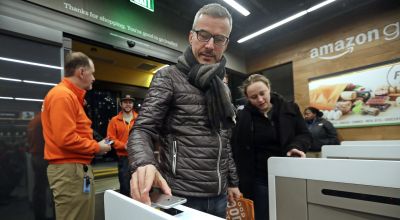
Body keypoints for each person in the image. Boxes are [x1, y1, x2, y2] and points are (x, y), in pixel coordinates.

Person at [127, 3, 241, 218]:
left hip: (219, 195)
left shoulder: (223, 88)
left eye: (218, 39)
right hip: (180, 195)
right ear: (191, 37)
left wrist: (232, 182)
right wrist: (143, 163)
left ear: (226, 44)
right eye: (203, 35)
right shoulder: (168, 77)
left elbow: (224, 141)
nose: (209, 45)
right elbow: (142, 129)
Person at [231, 74, 312, 220]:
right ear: (247, 98)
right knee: (263, 214)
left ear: (269, 89)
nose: (260, 100)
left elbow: (304, 135)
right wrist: (233, 181)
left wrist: (297, 146)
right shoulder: (243, 116)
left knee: (291, 211)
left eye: (262, 93)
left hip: (288, 171)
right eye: (254, 97)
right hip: (259, 177)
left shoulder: (290, 108)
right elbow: (236, 148)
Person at [41, 52, 111, 220]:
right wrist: (97, 147)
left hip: (75, 170)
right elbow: (65, 139)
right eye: (92, 73)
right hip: (70, 172)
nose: (93, 78)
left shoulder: (69, 96)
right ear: (81, 72)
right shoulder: (63, 96)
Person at [107, 94, 138, 196]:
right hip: (123, 158)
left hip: (138, 157)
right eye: (125, 102)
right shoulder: (114, 120)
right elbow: (109, 139)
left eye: (130, 102)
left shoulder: (139, 119)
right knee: (125, 187)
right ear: (121, 104)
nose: (128, 104)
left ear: (133, 104)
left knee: (139, 186)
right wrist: (123, 146)